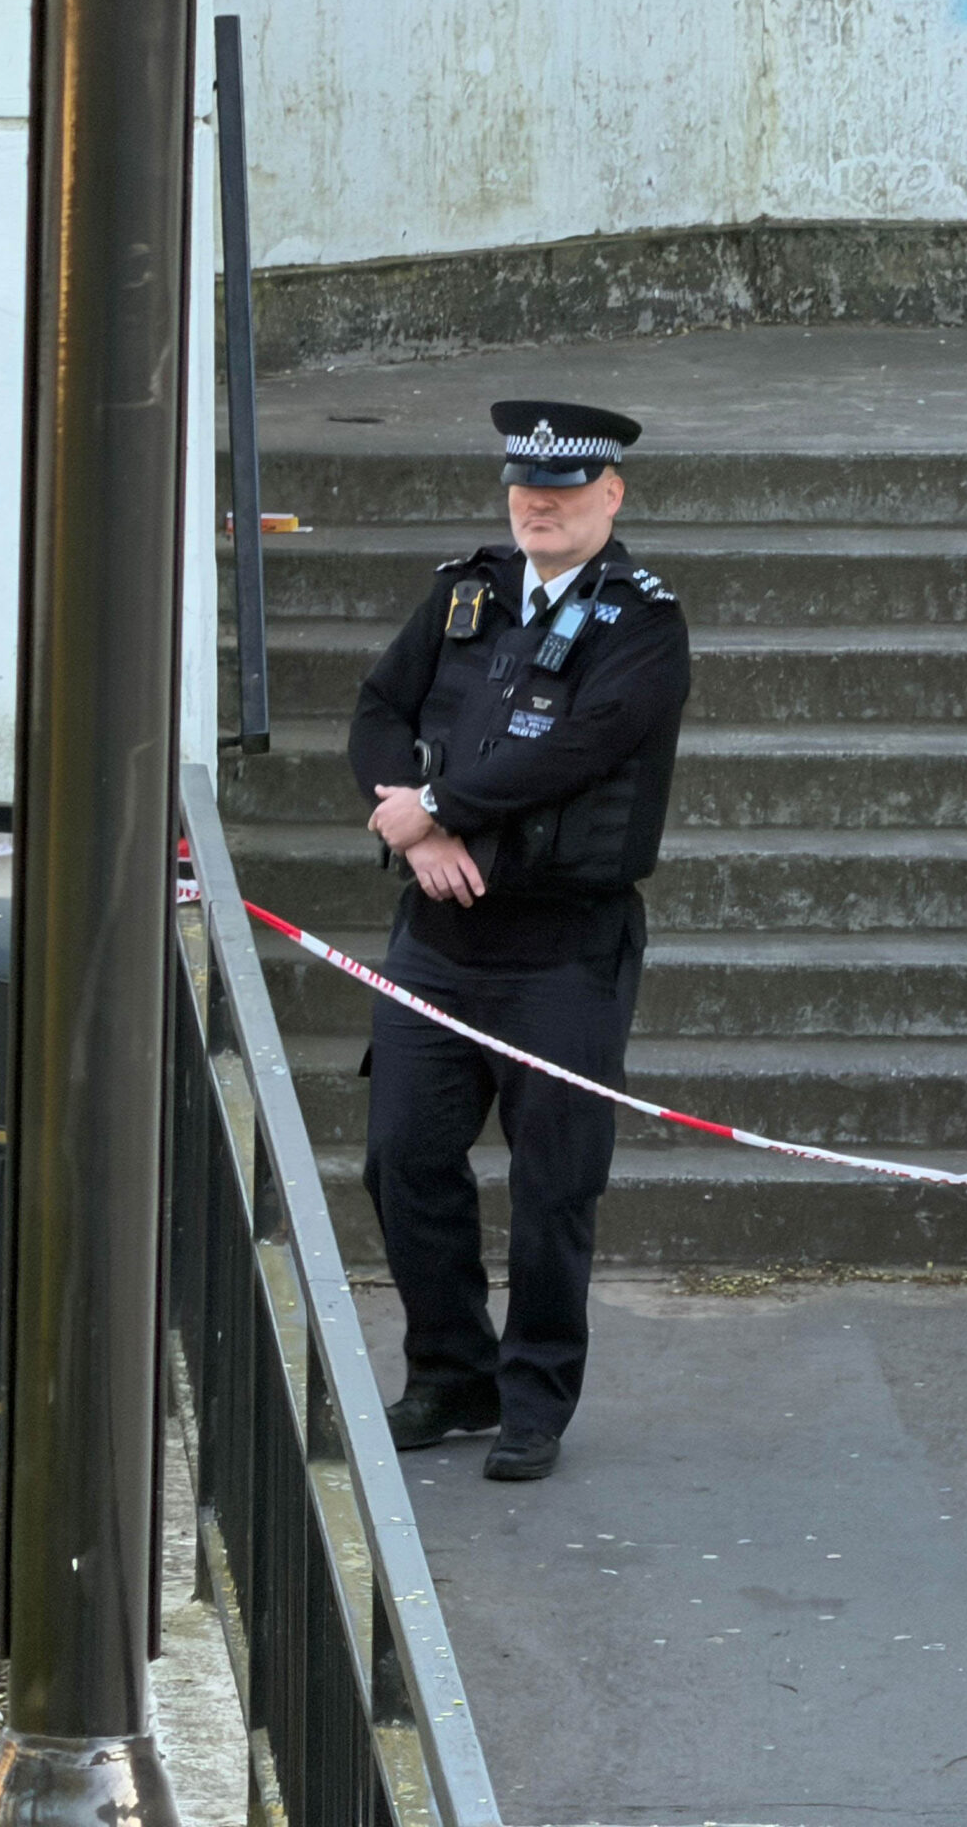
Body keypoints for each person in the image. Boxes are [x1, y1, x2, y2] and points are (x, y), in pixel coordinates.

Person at [348, 398, 692, 1481]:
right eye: (524, 489)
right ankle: (450, 1373)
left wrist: (439, 809)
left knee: (554, 1186)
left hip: (562, 949)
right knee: (402, 1157)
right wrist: (407, 822)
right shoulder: (466, 592)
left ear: (610, 495)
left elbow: (579, 753)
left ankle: (535, 1397)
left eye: (563, 491)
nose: (538, 507)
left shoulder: (643, 622)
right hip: (439, 939)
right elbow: (374, 709)